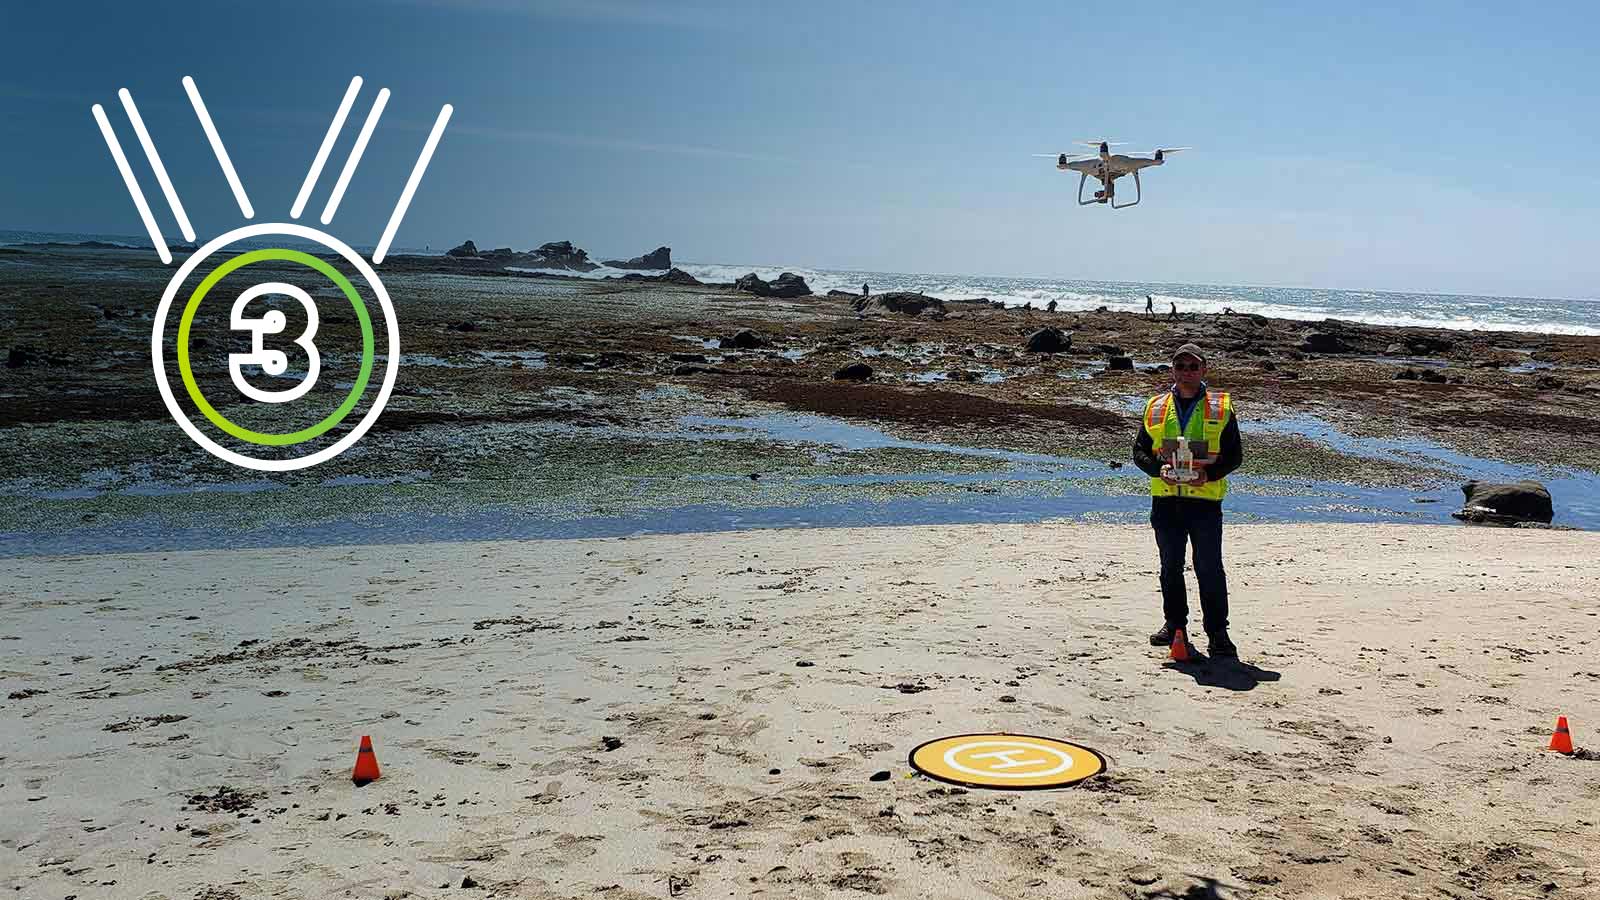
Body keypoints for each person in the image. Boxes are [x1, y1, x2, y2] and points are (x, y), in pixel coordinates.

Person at [1131, 343, 1244, 659]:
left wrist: (1209, 476)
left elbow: (1235, 456)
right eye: (1180, 366)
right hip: (1166, 501)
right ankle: (1174, 626)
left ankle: (1218, 634)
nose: (1186, 371)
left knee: (1209, 568)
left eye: (1193, 366)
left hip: (1205, 502)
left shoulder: (1220, 408)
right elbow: (1139, 451)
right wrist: (1159, 469)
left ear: (1204, 370)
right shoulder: (1155, 407)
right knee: (1170, 567)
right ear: (1172, 370)